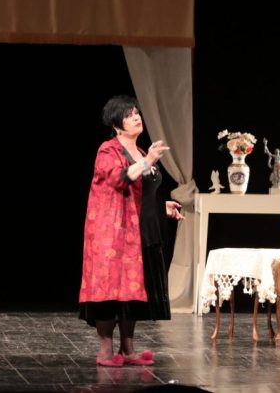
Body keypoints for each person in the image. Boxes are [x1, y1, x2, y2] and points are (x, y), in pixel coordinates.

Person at [78, 95, 184, 367]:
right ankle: (105, 351)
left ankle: (128, 349)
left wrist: (162, 207)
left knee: (133, 291)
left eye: (137, 112)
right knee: (110, 291)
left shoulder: (141, 151)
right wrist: (147, 161)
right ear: (116, 125)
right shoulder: (108, 151)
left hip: (143, 231)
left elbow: (143, 193)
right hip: (115, 235)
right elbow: (119, 179)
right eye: (129, 115)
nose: (137, 117)